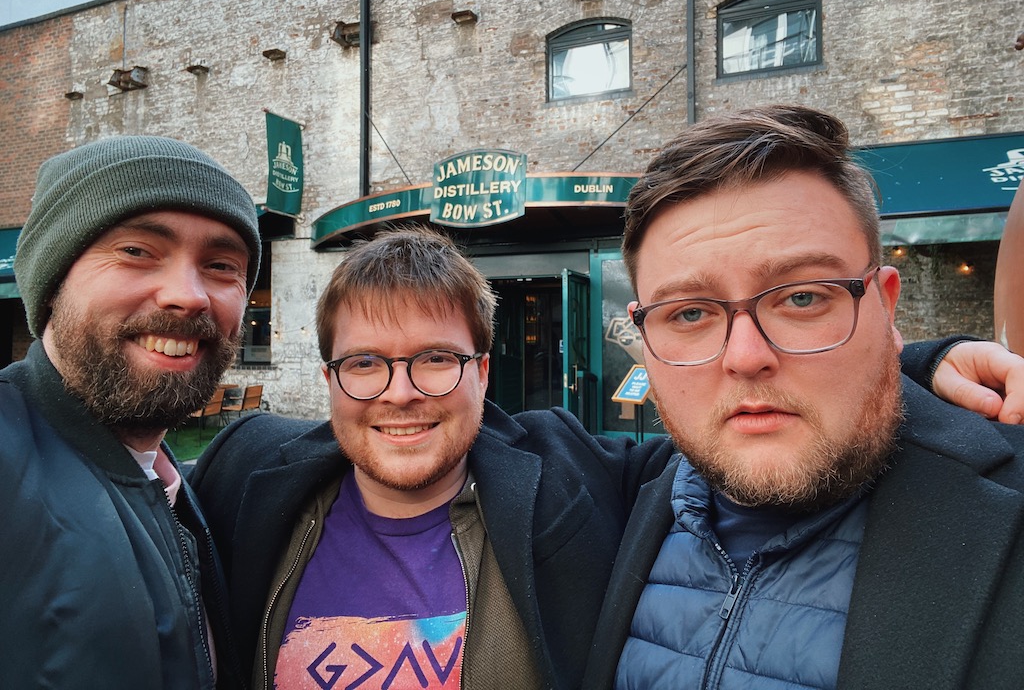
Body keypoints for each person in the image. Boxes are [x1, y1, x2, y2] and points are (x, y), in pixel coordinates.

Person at [193, 226, 1021, 690]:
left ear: (483, 373)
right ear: (330, 375)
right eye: (366, 363)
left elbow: (730, 426)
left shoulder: (571, 475)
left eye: (436, 359)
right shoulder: (247, 473)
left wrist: (902, 364)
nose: (400, 393)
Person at [583, 104, 1024, 690]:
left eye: (802, 299)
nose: (744, 357)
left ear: (885, 307)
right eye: (689, 312)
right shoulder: (612, 499)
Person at [0, 136, 260, 689]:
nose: (188, 295)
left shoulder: (171, 483)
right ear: (52, 284)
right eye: (137, 251)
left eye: (220, 265)